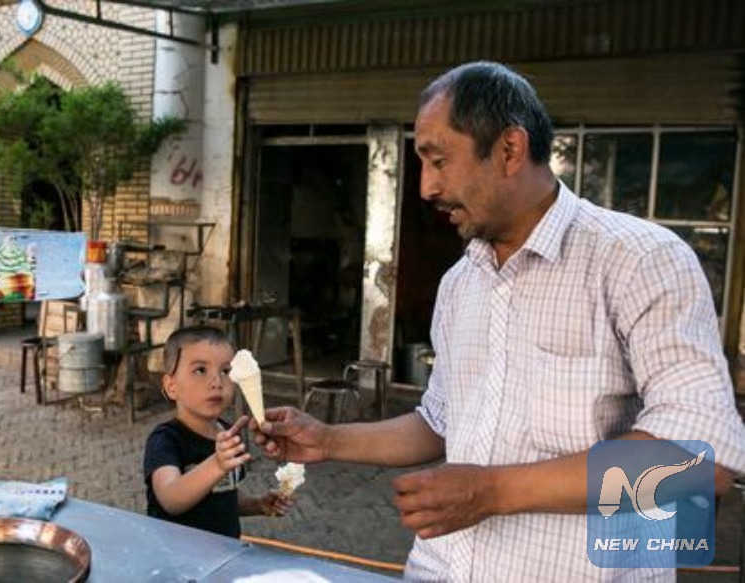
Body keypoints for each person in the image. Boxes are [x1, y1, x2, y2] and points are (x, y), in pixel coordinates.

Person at [253, 61, 745, 581]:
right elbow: (441, 422)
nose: (425, 188)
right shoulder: (461, 282)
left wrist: (492, 491)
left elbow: (698, 467)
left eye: (438, 161)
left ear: (510, 149)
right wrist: (329, 440)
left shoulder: (639, 261)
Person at [143, 325, 293, 538]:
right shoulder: (166, 439)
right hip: (176, 558)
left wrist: (258, 505)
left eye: (226, 371)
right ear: (171, 386)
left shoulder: (229, 434)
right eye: (200, 370)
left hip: (223, 556)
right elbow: (170, 499)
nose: (217, 382)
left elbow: (223, 496)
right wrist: (217, 463)